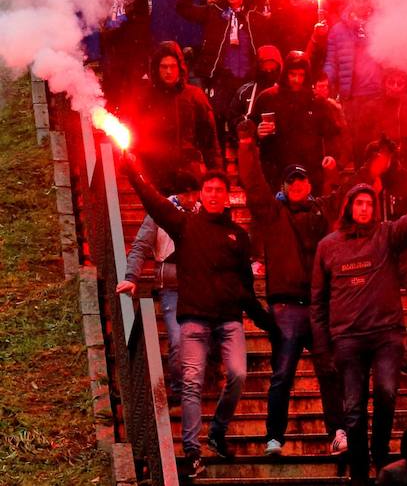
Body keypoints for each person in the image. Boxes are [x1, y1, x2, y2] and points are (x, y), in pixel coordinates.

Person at [121, 157, 274, 480]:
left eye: (220, 190)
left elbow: (246, 287)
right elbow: (156, 204)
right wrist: (133, 172)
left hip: (229, 319)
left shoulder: (238, 236)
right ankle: (192, 451)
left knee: (238, 374)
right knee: (191, 383)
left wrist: (266, 322)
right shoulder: (185, 225)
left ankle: (217, 431)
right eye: (209, 189)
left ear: (228, 195)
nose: (214, 194)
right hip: (194, 319)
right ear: (202, 195)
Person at [311, 167, 407, 486]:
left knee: (386, 392)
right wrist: (323, 348)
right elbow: (318, 301)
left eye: (369, 203)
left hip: (385, 336)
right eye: (359, 203)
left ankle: (380, 458)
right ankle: (358, 474)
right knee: (352, 409)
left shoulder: (387, 235)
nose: (364, 208)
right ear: (349, 207)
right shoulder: (328, 246)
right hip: (348, 338)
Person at [236, 120, 346, 457]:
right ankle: (274, 437)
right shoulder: (273, 214)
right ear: (284, 185)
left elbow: (342, 198)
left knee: (329, 370)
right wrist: (245, 146)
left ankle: (338, 431)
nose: (297, 185)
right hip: (285, 307)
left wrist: (332, 173)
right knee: (282, 373)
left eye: (302, 180)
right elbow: (254, 185)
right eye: (291, 181)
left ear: (309, 184)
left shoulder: (320, 212)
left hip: (318, 304)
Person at [348, 136, 407, 387]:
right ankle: (375, 357)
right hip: (374, 253)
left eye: (386, 156)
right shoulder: (359, 182)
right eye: (376, 157)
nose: (383, 162)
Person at [115, 174, 201, 403]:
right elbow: (141, 245)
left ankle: (201, 381)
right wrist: (131, 276)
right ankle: (178, 386)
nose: (191, 198)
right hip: (171, 284)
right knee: (177, 338)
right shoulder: (161, 211)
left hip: (201, 284)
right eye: (187, 194)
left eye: (195, 193)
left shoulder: (203, 211)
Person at [177, 0, 270, 142]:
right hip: (222, 80)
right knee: (218, 124)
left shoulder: (255, 18)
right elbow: (183, 8)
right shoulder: (214, 13)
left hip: (249, 80)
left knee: (246, 126)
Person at [125, 41, 222, 195]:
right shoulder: (144, 99)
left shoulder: (194, 96)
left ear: (180, 68)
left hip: (189, 176)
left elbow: (209, 140)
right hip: (156, 175)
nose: (168, 71)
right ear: (157, 69)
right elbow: (135, 138)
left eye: (172, 66)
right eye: (164, 67)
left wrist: (217, 175)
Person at [251, 51, 342, 193]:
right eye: (292, 74)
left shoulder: (317, 102)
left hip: (310, 171)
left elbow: (333, 133)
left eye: (301, 75)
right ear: (285, 74)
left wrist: (333, 156)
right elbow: (246, 129)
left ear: (307, 76)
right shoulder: (267, 98)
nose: (297, 80)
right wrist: (257, 132)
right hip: (276, 171)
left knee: (309, 213)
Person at [323, 0, 383, 164]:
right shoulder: (338, 30)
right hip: (352, 96)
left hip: (377, 93)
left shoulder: (380, 26)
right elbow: (331, 61)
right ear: (351, 2)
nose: (362, 4)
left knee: (378, 142)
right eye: (358, 0)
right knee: (357, 142)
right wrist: (325, 82)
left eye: (365, 0)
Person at [97, 0, 156, 106]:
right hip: (113, 49)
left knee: (134, 89)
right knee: (113, 88)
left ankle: (135, 121)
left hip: (136, 48)